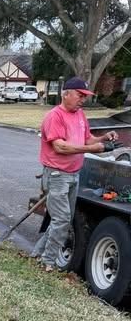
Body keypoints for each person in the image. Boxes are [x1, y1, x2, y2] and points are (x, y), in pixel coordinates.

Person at [32, 77, 117, 271]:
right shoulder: (55, 116)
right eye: (80, 95)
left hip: (73, 175)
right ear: (66, 94)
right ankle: (47, 261)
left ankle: (38, 253)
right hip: (57, 175)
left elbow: (87, 139)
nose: (83, 100)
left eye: (85, 96)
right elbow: (60, 147)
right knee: (62, 219)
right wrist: (92, 149)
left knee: (63, 220)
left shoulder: (79, 115)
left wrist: (103, 138)